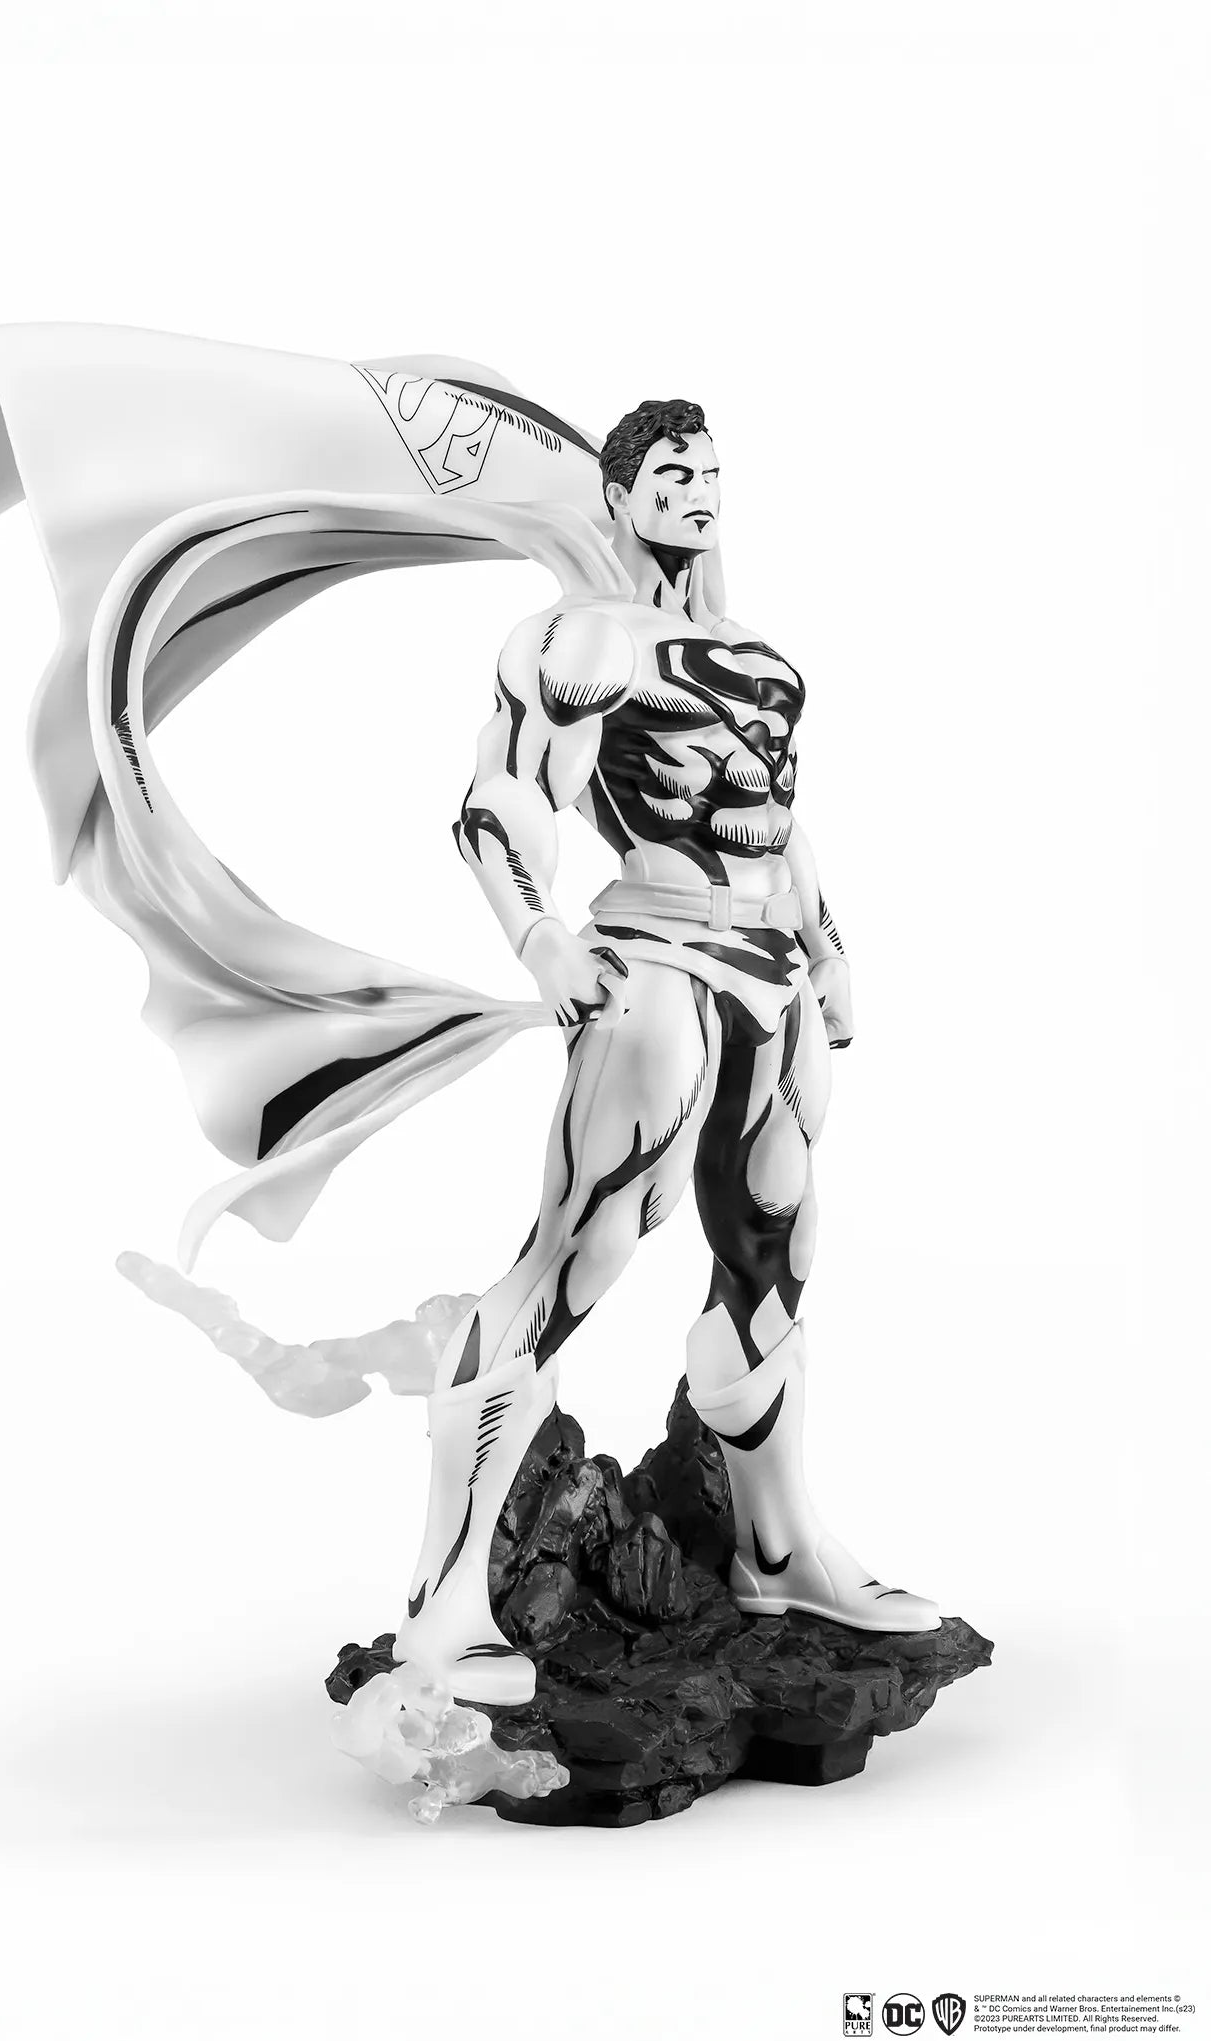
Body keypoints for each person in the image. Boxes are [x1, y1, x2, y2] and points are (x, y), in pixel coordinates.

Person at [393, 399, 939, 1704]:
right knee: (580, 1249)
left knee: (772, 1253)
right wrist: (537, 936)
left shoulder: (755, 654)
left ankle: (777, 1554)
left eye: (710, 472)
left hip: (770, 968)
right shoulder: (582, 638)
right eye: (672, 472)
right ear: (619, 495)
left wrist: (829, 943)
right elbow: (501, 794)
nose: (698, 491)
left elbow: (779, 817)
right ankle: (443, 1598)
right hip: (653, 957)